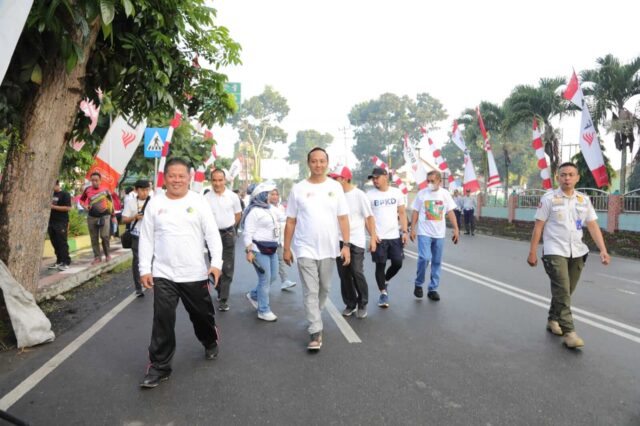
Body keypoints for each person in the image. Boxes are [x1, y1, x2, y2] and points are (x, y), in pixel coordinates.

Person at [138, 158, 223, 389]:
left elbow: (213, 235)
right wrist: (145, 268)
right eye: (172, 175)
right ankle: (159, 367)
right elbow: (146, 238)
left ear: (189, 178)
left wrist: (216, 264)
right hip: (164, 273)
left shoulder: (199, 202)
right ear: (165, 178)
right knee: (162, 320)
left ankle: (209, 340)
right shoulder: (155, 203)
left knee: (201, 316)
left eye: (181, 176)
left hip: (194, 273)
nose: (176, 180)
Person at [527, 162, 610, 349]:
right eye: (563, 175)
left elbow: (593, 226)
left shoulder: (583, 200)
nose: (567, 178)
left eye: (571, 174)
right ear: (557, 177)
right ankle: (569, 332)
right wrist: (532, 251)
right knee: (563, 290)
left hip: (577, 251)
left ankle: (552, 319)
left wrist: (603, 250)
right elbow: (538, 226)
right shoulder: (549, 198)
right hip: (554, 250)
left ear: (577, 177)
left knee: (566, 291)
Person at [283, 147, 350, 351]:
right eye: (314, 161)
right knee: (310, 291)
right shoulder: (298, 189)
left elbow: (343, 218)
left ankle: (315, 315)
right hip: (305, 248)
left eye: (322, 161)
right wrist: (287, 248)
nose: (318, 165)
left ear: (327, 163)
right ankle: (315, 330)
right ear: (308, 163)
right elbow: (291, 221)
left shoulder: (335, 187)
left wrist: (345, 245)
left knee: (325, 288)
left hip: (329, 248)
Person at [328, 165, 376, 319]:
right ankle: (350, 303)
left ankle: (362, 302)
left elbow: (369, 217)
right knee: (344, 275)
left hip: (356, 240)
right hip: (338, 240)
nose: (333, 181)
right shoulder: (333, 195)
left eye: (336, 178)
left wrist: (373, 237)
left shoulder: (359, 195)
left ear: (345, 178)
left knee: (356, 271)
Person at [410, 171, 460, 301]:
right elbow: (415, 211)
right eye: (428, 181)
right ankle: (418, 284)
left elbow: (450, 212)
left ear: (439, 182)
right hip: (424, 233)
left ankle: (432, 289)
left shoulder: (445, 194)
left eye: (432, 181)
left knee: (436, 262)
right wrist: (412, 229)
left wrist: (456, 229)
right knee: (425, 258)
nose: (430, 184)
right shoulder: (422, 194)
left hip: (439, 234)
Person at [366, 167, 408, 308]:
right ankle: (383, 294)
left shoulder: (396, 193)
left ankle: (385, 280)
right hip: (379, 238)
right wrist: (373, 235)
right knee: (380, 265)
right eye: (373, 178)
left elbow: (402, 213)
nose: (374, 180)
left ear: (385, 176)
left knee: (398, 263)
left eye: (377, 177)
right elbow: (367, 218)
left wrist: (405, 232)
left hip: (394, 236)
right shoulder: (369, 195)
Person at [204, 169, 242, 311]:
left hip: (228, 234)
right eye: (215, 180)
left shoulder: (232, 196)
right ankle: (220, 289)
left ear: (225, 180)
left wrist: (231, 226)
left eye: (220, 180)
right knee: (215, 265)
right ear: (211, 181)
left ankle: (224, 299)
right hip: (212, 236)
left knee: (227, 267)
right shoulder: (206, 198)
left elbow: (238, 214)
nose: (217, 183)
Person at [243, 182, 281, 321]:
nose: (271, 196)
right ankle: (263, 310)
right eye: (269, 193)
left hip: (272, 248)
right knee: (265, 280)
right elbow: (248, 233)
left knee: (273, 277)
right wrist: (249, 251)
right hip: (258, 249)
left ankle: (253, 294)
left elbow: (284, 218)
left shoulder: (271, 209)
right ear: (262, 195)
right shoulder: (254, 211)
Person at [121, 179, 152, 297]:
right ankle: (138, 287)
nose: (145, 192)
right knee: (137, 260)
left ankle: (149, 278)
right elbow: (123, 219)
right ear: (136, 190)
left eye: (147, 190)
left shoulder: (153, 202)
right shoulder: (131, 203)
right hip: (136, 235)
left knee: (150, 259)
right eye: (142, 190)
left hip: (151, 236)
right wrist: (134, 217)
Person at [79, 172, 115, 265]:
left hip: (105, 216)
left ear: (100, 181)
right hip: (92, 216)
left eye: (96, 180)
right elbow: (82, 200)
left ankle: (107, 254)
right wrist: (84, 206)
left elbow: (111, 203)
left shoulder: (105, 190)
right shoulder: (87, 190)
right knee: (94, 238)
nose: (94, 182)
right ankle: (97, 257)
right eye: (92, 180)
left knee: (104, 236)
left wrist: (113, 216)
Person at [268, 188, 296, 290]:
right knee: (270, 266)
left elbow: (286, 223)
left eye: (276, 194)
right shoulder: (266, 208)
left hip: (280, 240)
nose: (275, 196)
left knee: (280, 261)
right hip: (269, 241)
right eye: (272, 194)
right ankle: (261, 288)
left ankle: (284, 280)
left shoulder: (281, 207)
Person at [48, 180, 72, 271]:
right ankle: (59, 261)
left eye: (53, 185)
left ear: (57, 184)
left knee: (62, 242)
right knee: (54, 242)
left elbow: (68, 208)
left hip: (61, 222)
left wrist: (53, 207)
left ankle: (66, 262)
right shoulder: (50, 194)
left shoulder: (65, 194)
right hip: (51, 222)